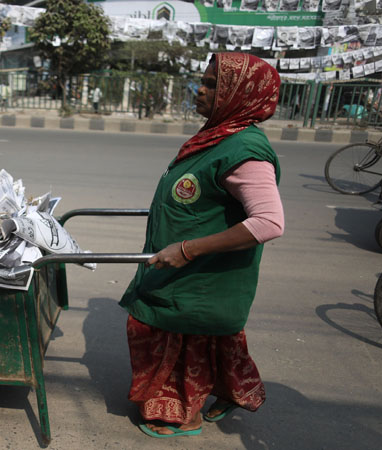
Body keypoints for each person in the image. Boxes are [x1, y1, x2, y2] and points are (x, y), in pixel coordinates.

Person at [119, 52, 284, 439]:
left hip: (199, 272)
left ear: (237, 95)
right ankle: (228, 393)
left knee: (164, 329)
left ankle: (184, 414)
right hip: (187, 271)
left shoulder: (246, 152)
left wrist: (187, 249)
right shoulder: (221, 135)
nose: (201, 89)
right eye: (204, 81)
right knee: (210, 337)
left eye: (213, 85)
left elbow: (270, 222)